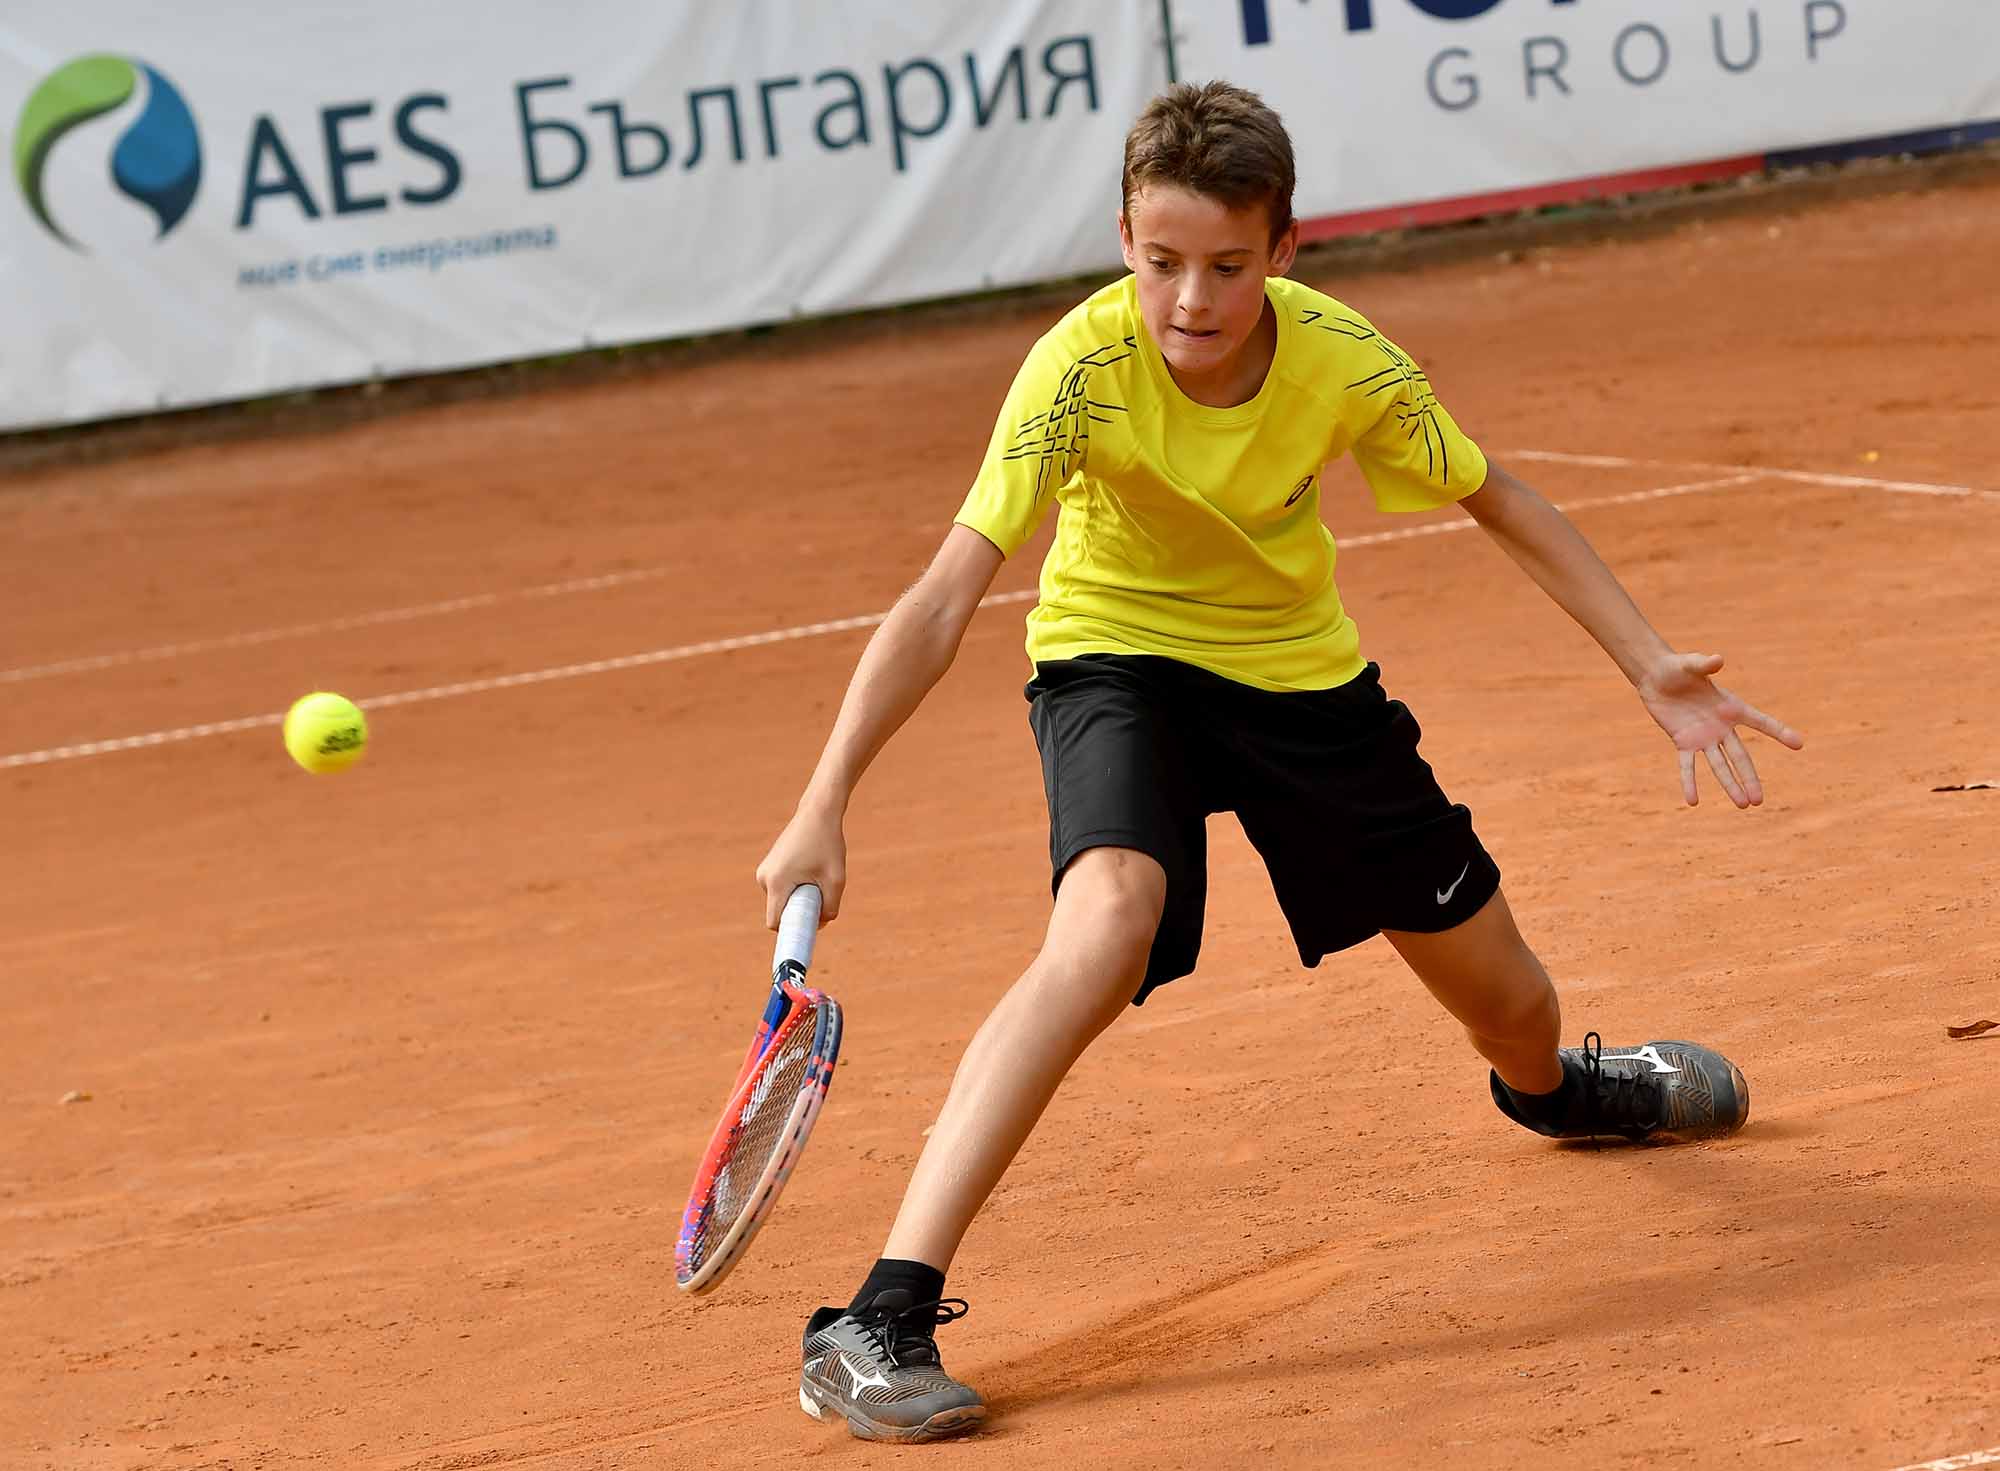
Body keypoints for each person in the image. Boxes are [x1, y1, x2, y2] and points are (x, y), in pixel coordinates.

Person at [756, 80, 1803, 1445]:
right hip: (1116, 662)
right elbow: (947, 595)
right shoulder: (1076, 372)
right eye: (1160, 262)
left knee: (1509, 1000)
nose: (1191, 299)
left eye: (1228, 266)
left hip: (1302, 680)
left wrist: (1648, 659)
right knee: (1106, 923)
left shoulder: (1343, 360)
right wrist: (823, 799)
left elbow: (1497, 497)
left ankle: (1557, 1093)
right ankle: (875, 1317)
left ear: (1285, 249)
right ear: (1124, 239)